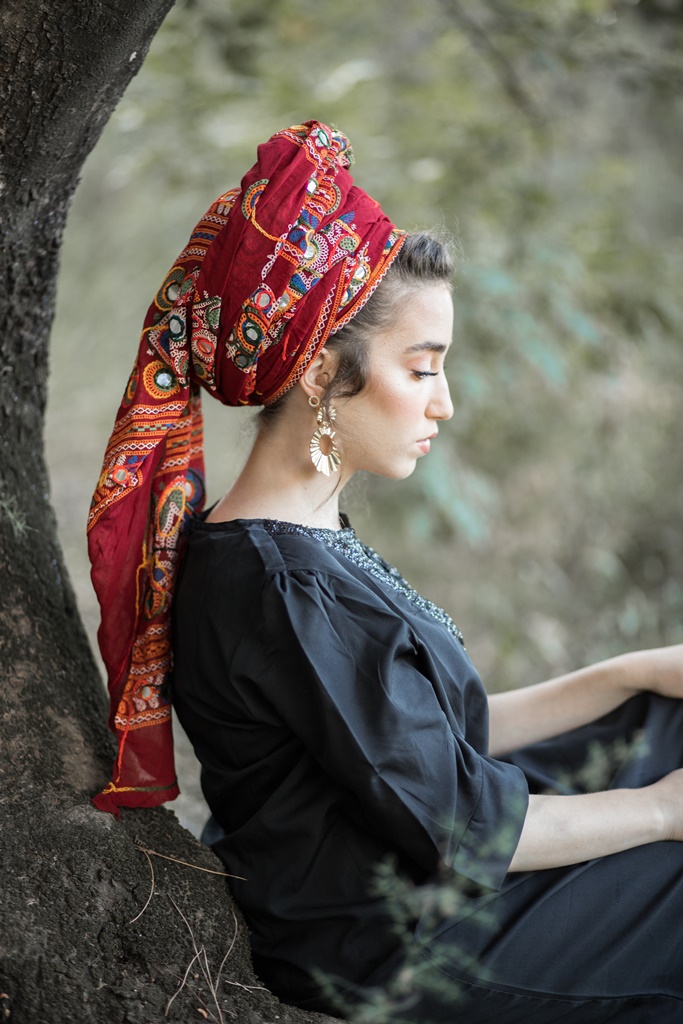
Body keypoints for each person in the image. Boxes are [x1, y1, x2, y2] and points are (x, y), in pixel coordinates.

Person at [89, 121, 683, 1023]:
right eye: (421, 369)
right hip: (398, 941)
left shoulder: (307, 542)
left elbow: (441, 743)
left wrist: (630, 670)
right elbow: (464, 821)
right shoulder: (281, 584)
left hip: (423, 877)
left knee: (661, 713)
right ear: (325, 373)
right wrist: (661, 814)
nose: (444, 402)